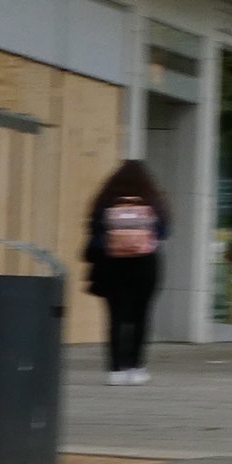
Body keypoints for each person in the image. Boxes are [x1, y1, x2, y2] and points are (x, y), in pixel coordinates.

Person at [85, 160, 169, 386]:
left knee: (115, 317)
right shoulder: (152, 200)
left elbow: (94, 233)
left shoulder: (106, 201)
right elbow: (163, 231)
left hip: (112, 264)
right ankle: (136, 368)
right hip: (145, 265)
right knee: (141, 316)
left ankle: (115, 371)